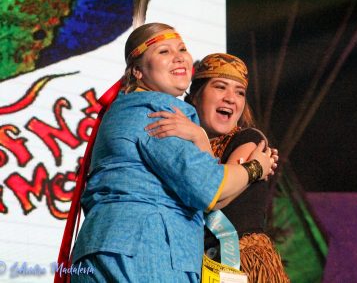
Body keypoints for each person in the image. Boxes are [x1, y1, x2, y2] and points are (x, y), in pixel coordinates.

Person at [55, 24, 277, 283]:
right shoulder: (158, 109)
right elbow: (210, 189)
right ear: (137, 70)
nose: (179, 56)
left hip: (106, 248)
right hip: (143, 251)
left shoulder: (124, 109)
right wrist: (255, 168)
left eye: (182, 49)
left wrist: (198, 136)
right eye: (164, 51)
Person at [146, 53, 290, 282]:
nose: (231, 99)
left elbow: (215, 195)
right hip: (195, 263)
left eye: (239, 92)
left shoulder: (249, 140)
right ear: (195, 95)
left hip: (241, 265)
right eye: (221, 87)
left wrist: (199, 137)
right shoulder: (178, 148)